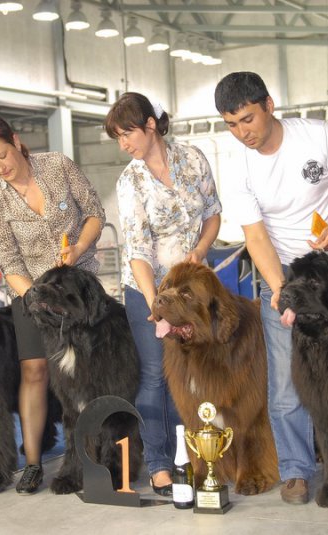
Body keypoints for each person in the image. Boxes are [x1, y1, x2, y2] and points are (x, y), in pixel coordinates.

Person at [214, 71, 328, 505]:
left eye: (247, 118)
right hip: (280, 271)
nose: (241, 132)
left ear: (269, 104)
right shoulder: (240, 168)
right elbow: (256, 236)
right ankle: (297, 471)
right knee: (287, 382)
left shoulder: (318, 137)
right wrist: (284, 293)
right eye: (231, 124)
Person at [0, 111, 106, 495]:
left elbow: (95, 212)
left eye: (2, 156)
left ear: (15, 141)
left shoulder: (58, 165)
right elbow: (7, 261)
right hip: (30, 297)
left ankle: (98, 454)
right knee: (34, 372)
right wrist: (36, 297)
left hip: (81, 290)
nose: (0, 167)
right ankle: (31, 463)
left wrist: (78, 246)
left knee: (90, 372)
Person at [103, 93, 222, 496]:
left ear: (151, 124)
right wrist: (159, 306)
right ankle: (158, 464)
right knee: (156, 374)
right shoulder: (129, 181)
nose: (123, 144)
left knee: (192, 375)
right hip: (148, 292)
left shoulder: (193, 158)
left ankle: (193, 457)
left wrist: (202, 250)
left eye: (126, 133)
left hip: (193, 291)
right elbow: (136, 250)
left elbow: (213, 213)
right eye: (117, 138)